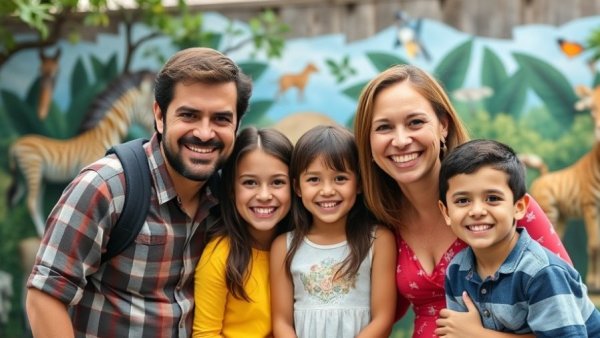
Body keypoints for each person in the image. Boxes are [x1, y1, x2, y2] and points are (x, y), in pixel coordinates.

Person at [25, 47, 252, 338]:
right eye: (189, 115)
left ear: (237, 125)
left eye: (221, 119)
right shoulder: (106, 186)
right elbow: (45, 296)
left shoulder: (229, 197)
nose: (205, 133)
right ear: (159, 115)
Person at [353, 64, 573, 338]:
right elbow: (368, 314)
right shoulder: (380, 219)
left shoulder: (501, 206)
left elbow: (572, 312)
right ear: (368, 140)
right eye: (384, 127)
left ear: (443, 125)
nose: (401, 140)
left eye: (415, 122)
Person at [436, 139, 600, 337]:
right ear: (446, 212)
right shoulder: (456, 270)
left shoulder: (541, 273)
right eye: (463, 201)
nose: (477, 211)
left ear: (519, 207)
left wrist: (478, 334)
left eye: (493, 198)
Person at [270, 125, 397, 338]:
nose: (327, 190)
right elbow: (282, 322)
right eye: (313, 179)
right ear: (297, 188)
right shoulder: (284, 246)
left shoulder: (377, 240)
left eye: (340, 178)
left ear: (358, 184)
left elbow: (383, 319)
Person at [192, 127, 293, 337]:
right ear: (231, 189)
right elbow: (205, 334)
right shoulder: (220, 256)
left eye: (277, 182)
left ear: (295, 187)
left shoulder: (301, 246)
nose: (264, 195)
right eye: (250, 182)